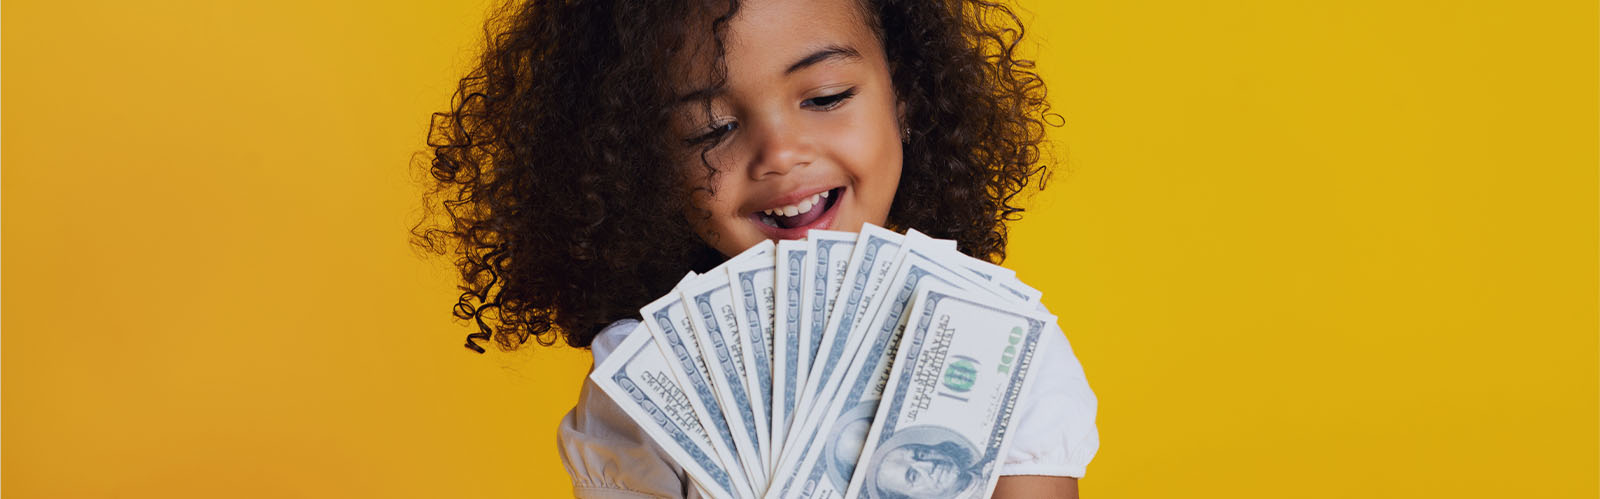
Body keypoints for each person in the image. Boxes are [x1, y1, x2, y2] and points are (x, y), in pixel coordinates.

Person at [412, 0, 1100, 497]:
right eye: (710, 129)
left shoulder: (1004, 341)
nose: (778, 153)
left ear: (909, 100)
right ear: (643, 163)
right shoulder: (642, 374)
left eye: (825, 96)